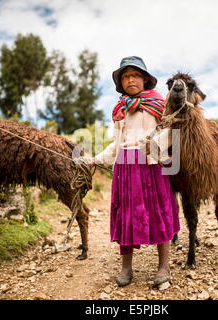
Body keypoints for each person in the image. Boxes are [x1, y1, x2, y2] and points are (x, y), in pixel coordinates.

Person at [83, 56, 180, 287]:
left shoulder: (159, 104)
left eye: (135, 75)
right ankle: (126, 268)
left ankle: (163, 267)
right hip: (125, 168)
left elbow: (173, 131)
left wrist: (155, 145)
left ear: (145, 79)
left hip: (153, 165)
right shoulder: (120, 110)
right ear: (121, 82)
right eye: (125, 76)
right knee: (125, 215)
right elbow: (117, 144)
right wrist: (95, 159)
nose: (130, 80)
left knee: (160, 212)